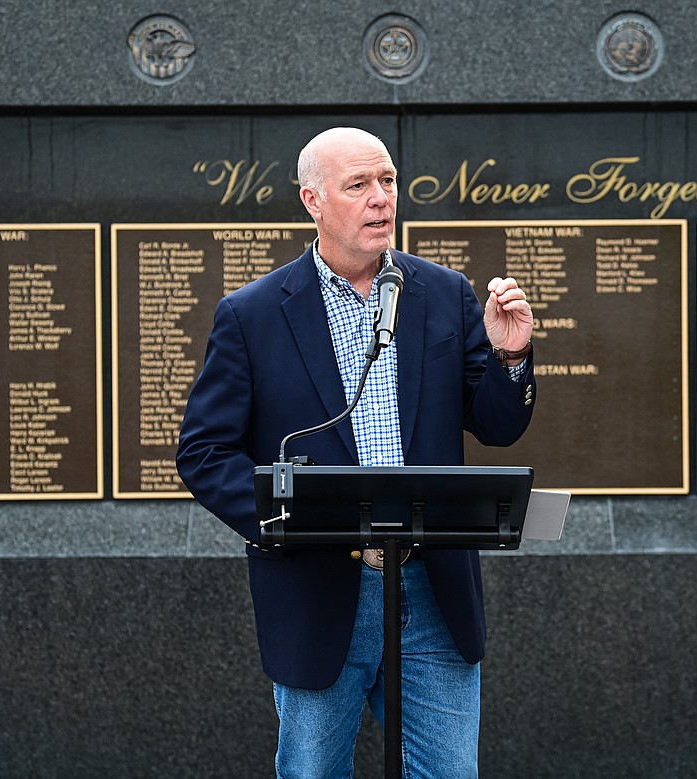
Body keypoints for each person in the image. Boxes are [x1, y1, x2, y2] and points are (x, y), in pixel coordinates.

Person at [177, 126, 536, 778]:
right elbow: (204, 450)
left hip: (433, 593)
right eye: (359, 185)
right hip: (318, 591)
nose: (381, 199)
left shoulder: (444, 294)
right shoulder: (252, 315)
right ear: (313, 201)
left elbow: (497, 426)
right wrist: (285, 519)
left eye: (389, 181)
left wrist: (510, 355)